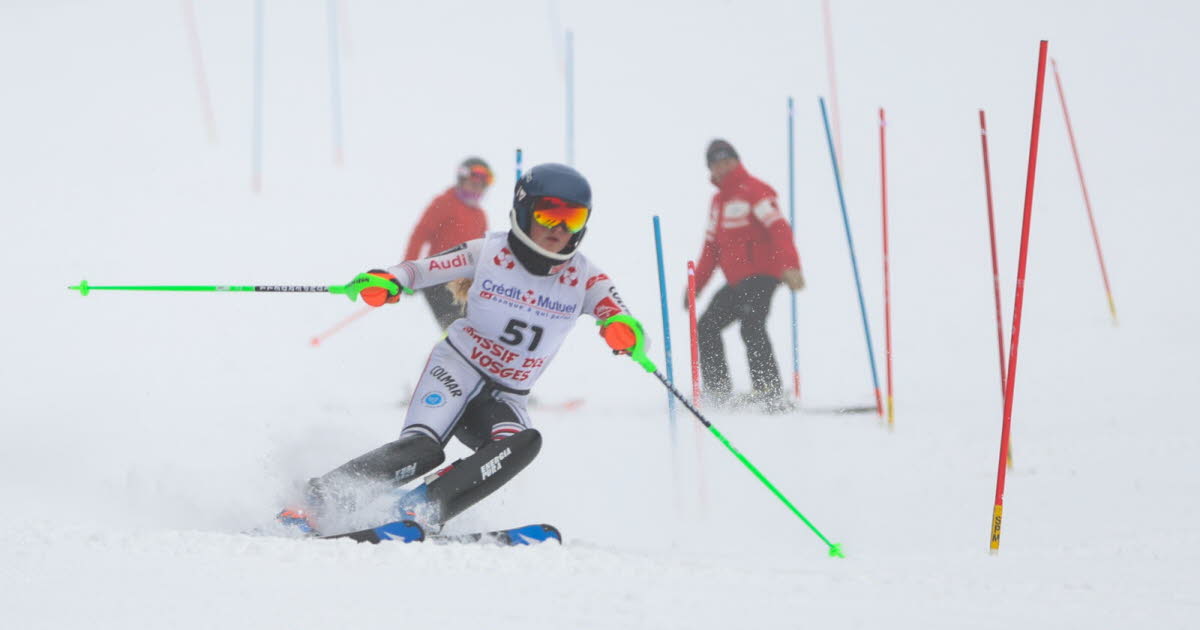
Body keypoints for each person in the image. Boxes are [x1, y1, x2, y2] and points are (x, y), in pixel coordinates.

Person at [279, 163, 644, 534]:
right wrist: (389, 280)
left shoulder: (586, 276)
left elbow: (621, 317)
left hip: (506, 397)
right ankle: (314, 502)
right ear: (524, 210)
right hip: (456, 370)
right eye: (549, 215)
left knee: (523, 443)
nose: (561, 229)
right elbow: (420, 270)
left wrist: (623, 331)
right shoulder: (489, 251)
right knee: (423, 450)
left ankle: (421, 507)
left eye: (574, 218)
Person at [689, 139, 805, 413]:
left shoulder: (755, 191)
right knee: (706, 326)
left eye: (727, 161)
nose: (723, 167)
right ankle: (718, 392)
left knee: (751, 324)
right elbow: (711, 249)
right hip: (737, 281)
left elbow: (779, 229)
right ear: (710, 169)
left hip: (764, 274)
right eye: (717, 163)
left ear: (737, 161)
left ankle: (770, 391)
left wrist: (791, 265)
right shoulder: (718, 202)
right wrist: (696, 287)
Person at [404, 157, 494, 330]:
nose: (478, 189)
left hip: (464, 285)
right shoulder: (445, 203)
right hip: (438, 279)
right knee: (455, 331)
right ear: (462, 180)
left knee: (473, 333)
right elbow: (420, 234)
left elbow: (483, 251)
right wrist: (410, 272)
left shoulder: (480, 215)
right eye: (474, 183)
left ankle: (456, 355)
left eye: (482, 185)